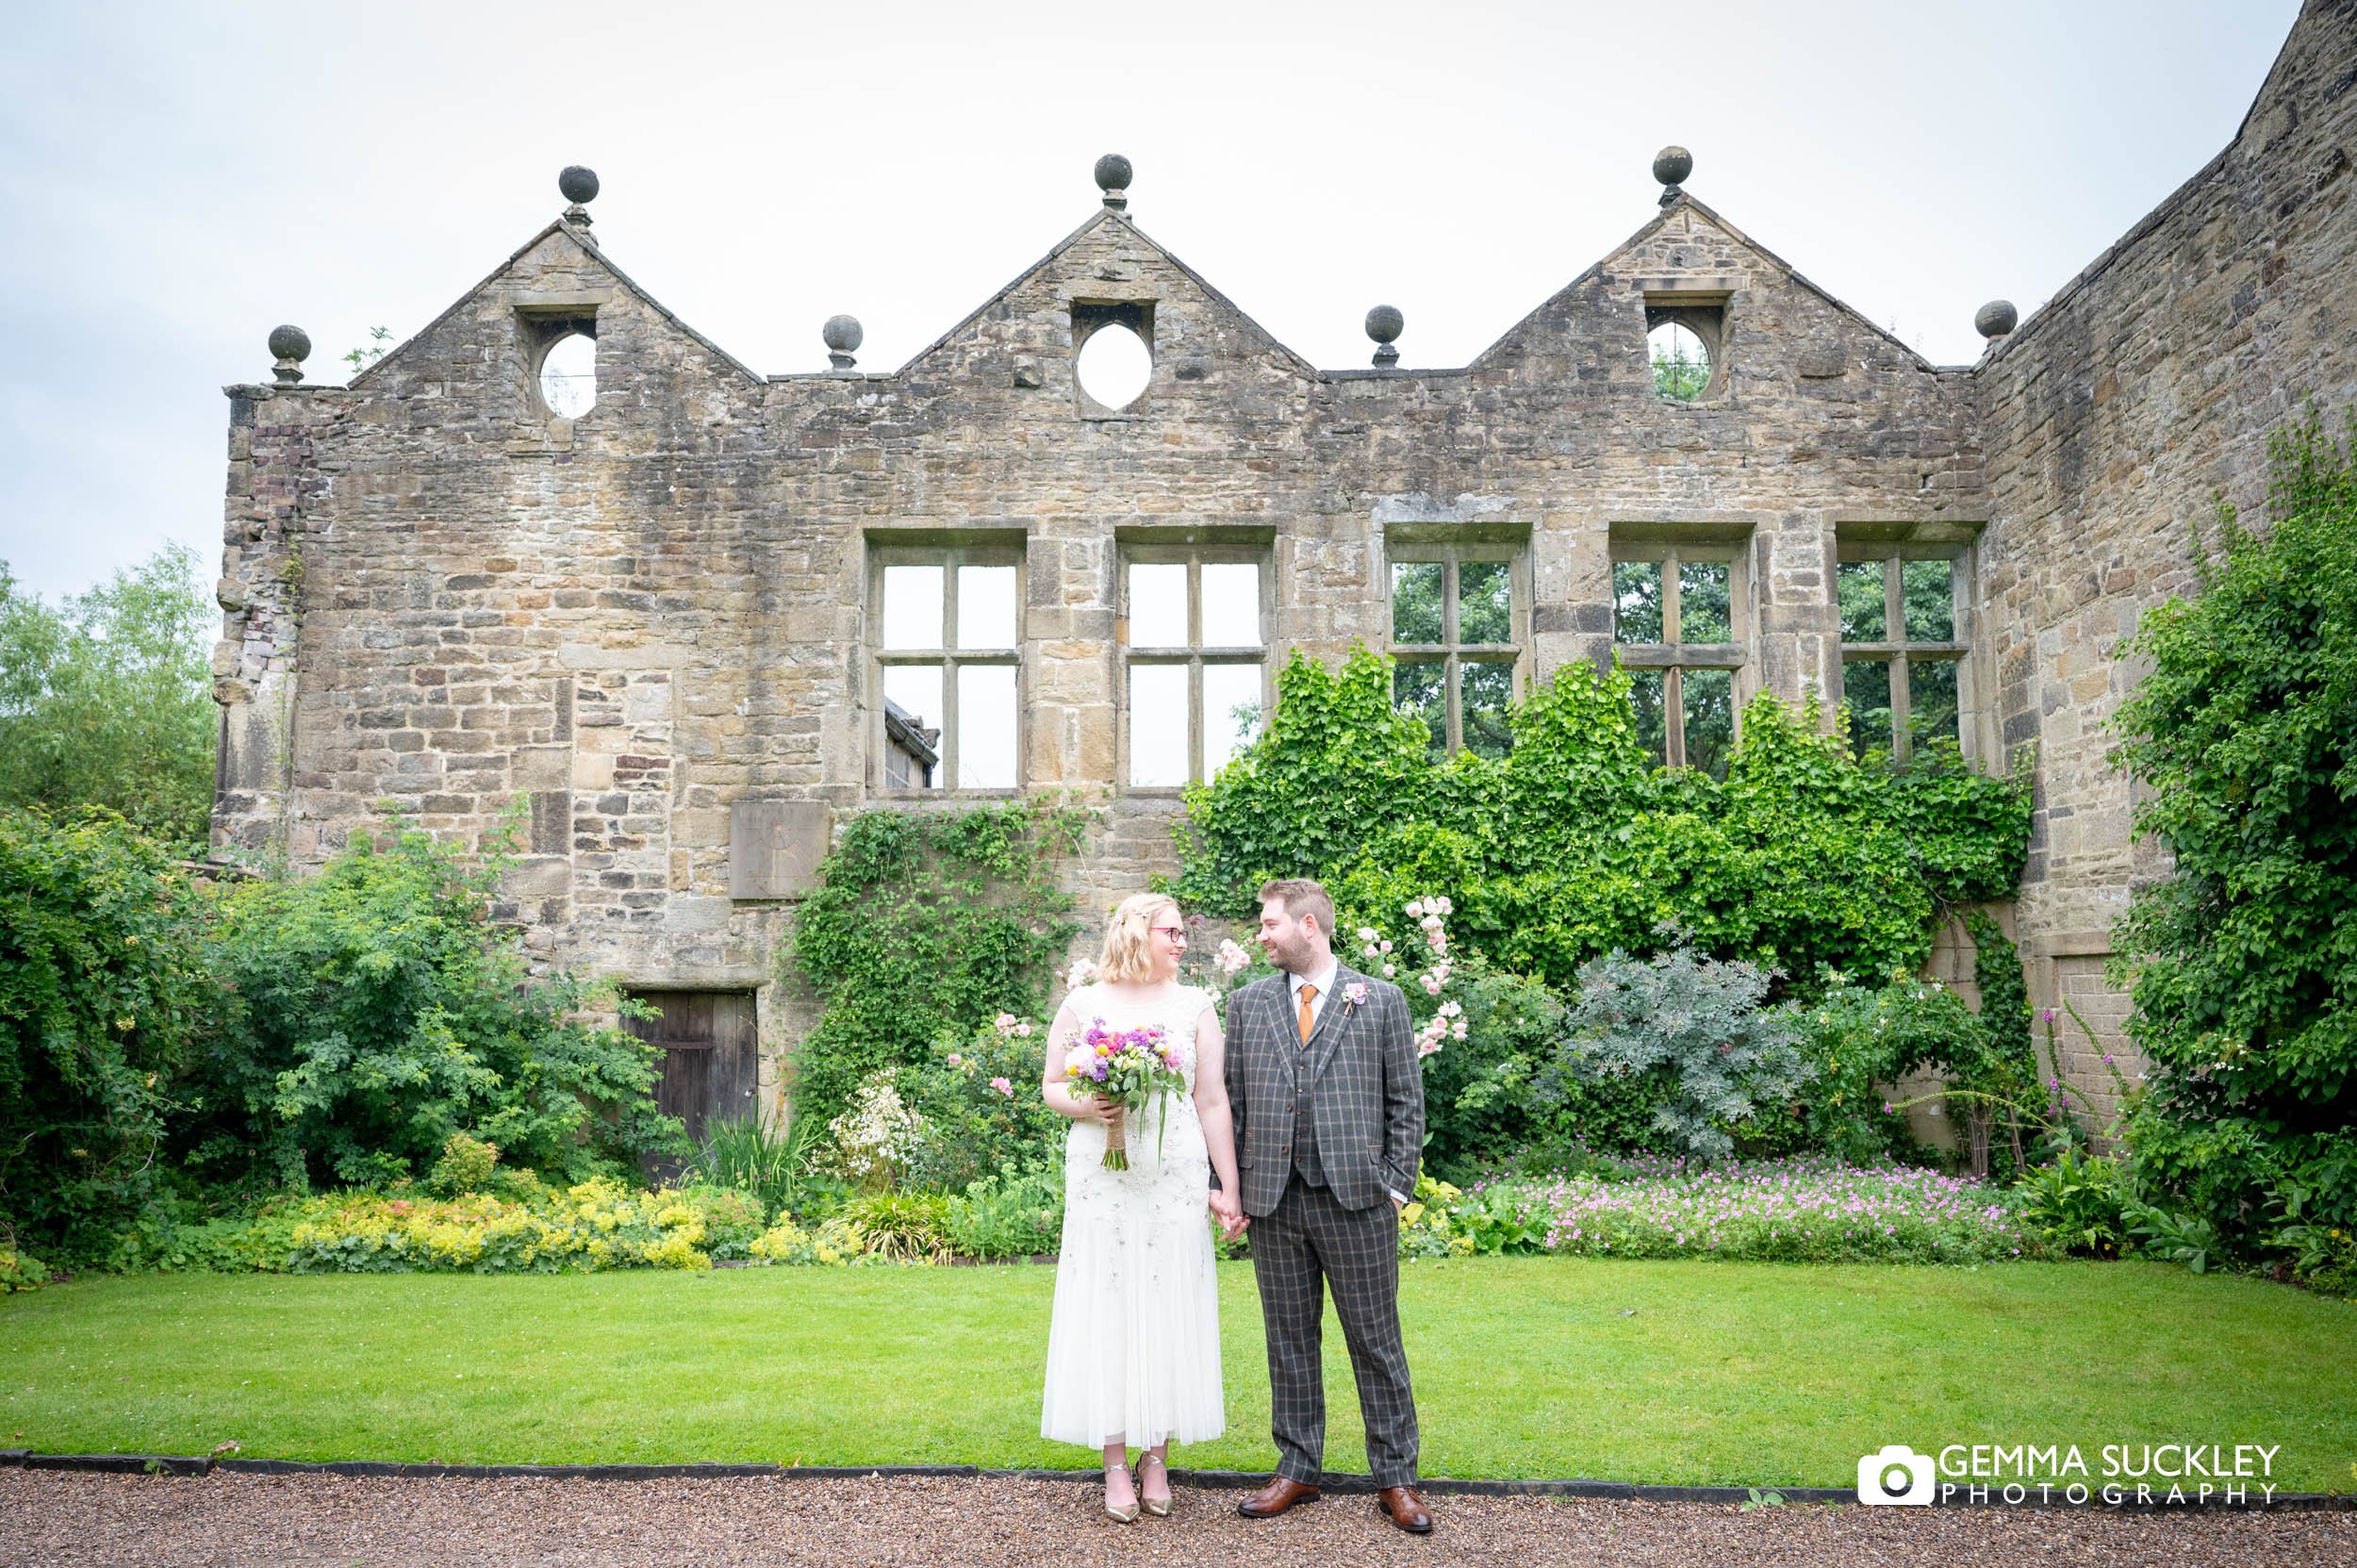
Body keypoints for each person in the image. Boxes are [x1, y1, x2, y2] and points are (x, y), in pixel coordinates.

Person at [1223, 877, 1433, 1534]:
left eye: (1269, 924)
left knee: (1375, 1340)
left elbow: (1406, 1101)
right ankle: (1299, 1465)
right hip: (1274, 1199)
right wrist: (1228, 1185)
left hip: (1357, 1200)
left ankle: (1396, 1476)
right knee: (1288, 1339)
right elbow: (1229, 1103)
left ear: (1307, 925)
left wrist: (1395, 1183)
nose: (1261, 935)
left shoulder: (1382, 1000)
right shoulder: (1249, 1005)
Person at [1040, 892, 1246, 1522]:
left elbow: (1211, 1100)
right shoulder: (1085, 1002)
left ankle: (1156, 1454)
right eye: (1172, 931)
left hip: (1174, 1170)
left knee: (1166, 1297)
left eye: (1185, 933)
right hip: (1102, 1172)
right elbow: (1052, 1085)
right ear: (1137, 931)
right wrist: (1090, 1105)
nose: (1183, 941)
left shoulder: (1194, 1005)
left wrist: (1228, 1185)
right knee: (1106, 1297)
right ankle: (1112, 1461)